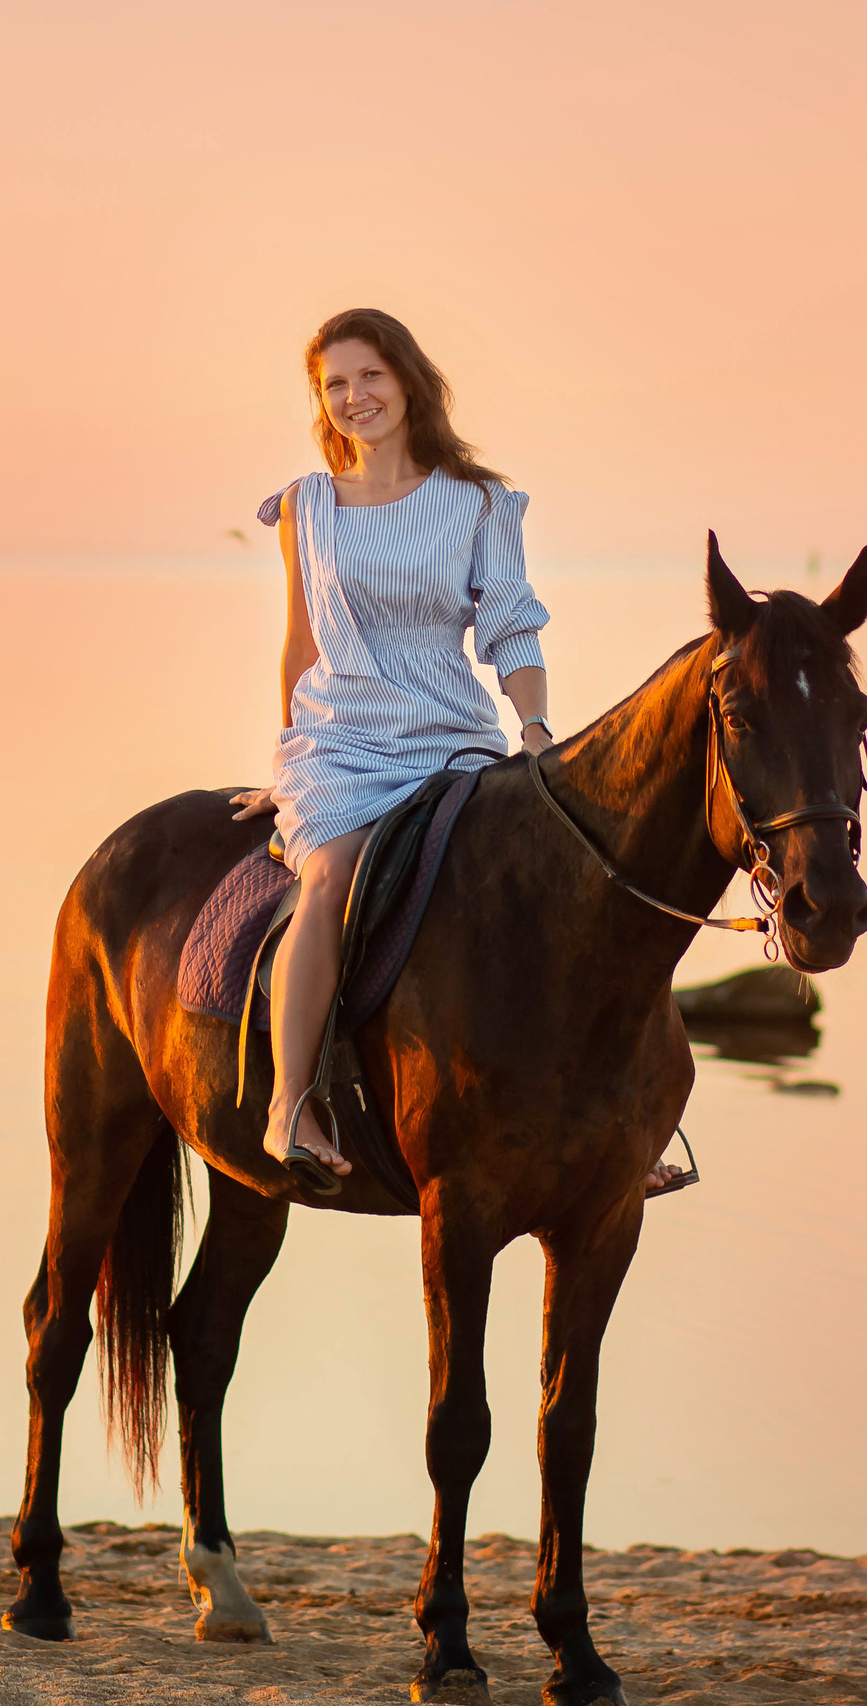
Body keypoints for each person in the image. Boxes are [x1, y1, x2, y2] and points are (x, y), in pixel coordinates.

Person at [232, 308, 685, 1197]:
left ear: (407, 380)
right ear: (322, 403)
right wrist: (286, 757)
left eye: (371, 376)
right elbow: (299, 644)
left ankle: (629, 1118)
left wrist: (538, 732)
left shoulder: (477, 502)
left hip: (453, 738)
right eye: (337, 384)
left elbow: (512, 625)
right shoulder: (306, 507)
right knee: (328, 880)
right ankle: (292, 1101)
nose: (356, 396)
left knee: (563, 879)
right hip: (342, 743)